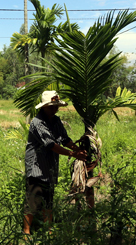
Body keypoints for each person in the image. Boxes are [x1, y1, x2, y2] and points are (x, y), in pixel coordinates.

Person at [23, 90, 87, 235]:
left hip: (50, 165)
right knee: (32, 201)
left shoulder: (56, 121)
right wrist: (73, 154)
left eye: (56, 106)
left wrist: (78, 150)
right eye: (51, 106)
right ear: (44, 107)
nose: (54, 109)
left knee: (48, 199)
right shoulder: (37, 122)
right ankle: (26, 233)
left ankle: (49, 230)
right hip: (36, 167)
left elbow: (64, 139)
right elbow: (51, 144)